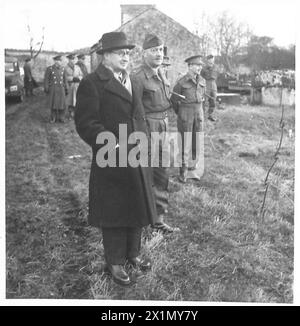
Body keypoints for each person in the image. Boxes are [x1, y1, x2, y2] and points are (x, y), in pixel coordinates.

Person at [75, 32, 157, 286]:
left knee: (137, 205)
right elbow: (86, 124)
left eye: (128, 52)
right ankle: (115, 262)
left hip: (136, 154)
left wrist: (144, 140)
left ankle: (132, 254)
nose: (126, 56)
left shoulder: (133, 80)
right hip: (111, 157)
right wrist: (113, 143)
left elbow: (138, 115)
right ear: (105, 56)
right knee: (114, 210)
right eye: (120, 52)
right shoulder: (92, 83)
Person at [131, 34, 179, 234]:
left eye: (160, 50)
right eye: (154, 50)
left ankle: (158, 219)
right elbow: (136, 111)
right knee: (144, 174)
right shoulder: (138, 77)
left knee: (162, 173)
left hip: (163, 127)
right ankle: (140, 219)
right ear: (144, 54)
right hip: (147, 128)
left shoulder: (162, 74)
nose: (159, 54)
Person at [171, 55, 206, 183]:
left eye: (201, 65)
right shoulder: (181, 82)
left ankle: (192, 168)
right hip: (186, 113)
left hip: (199, 113)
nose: (200, 67)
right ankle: (183, 172)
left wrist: (201, 112)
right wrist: (181, 113)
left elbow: (204, 99)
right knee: (185, 143)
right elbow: (174, 101)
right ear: (190, 66)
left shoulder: (202, 81)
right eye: (197, 65)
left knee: (197, 141)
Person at [44, 55, 68, 123]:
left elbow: (65, 80)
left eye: (60, 61)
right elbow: (46, 79)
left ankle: (61, 117)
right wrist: (46, 87)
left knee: (62, 104)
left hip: (61, 88)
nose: (58, 62)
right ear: (54, 61)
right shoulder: (50, 69)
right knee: (53, 104)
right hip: (53, 89)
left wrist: (66, 88)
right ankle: (53, 117)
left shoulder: (63, 69)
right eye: (57, 61)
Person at [65, 54, 83, 120]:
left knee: (77, 100)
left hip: (77, 85)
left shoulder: (77, 67)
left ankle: (77, 114)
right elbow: (65, 77)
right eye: (71, 59)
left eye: (73, 59)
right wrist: (72, 78)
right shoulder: (65, 68)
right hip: (70, 86)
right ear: (68, 60)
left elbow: (81, 75)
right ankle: (71, 114)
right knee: (70, 101)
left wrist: (79, 78)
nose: (72, 60)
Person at [201, 54, 218, 121]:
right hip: (206, 83)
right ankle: (203, 116)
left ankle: (210, 115)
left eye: (212, 61)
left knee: (213, 100)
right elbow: (201, 77)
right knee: (205, 100)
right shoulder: (203, 68)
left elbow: (216, 76)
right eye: (210, 61)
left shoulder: (215, 67)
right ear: (207, 61)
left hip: (213, 84)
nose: (211, 62)